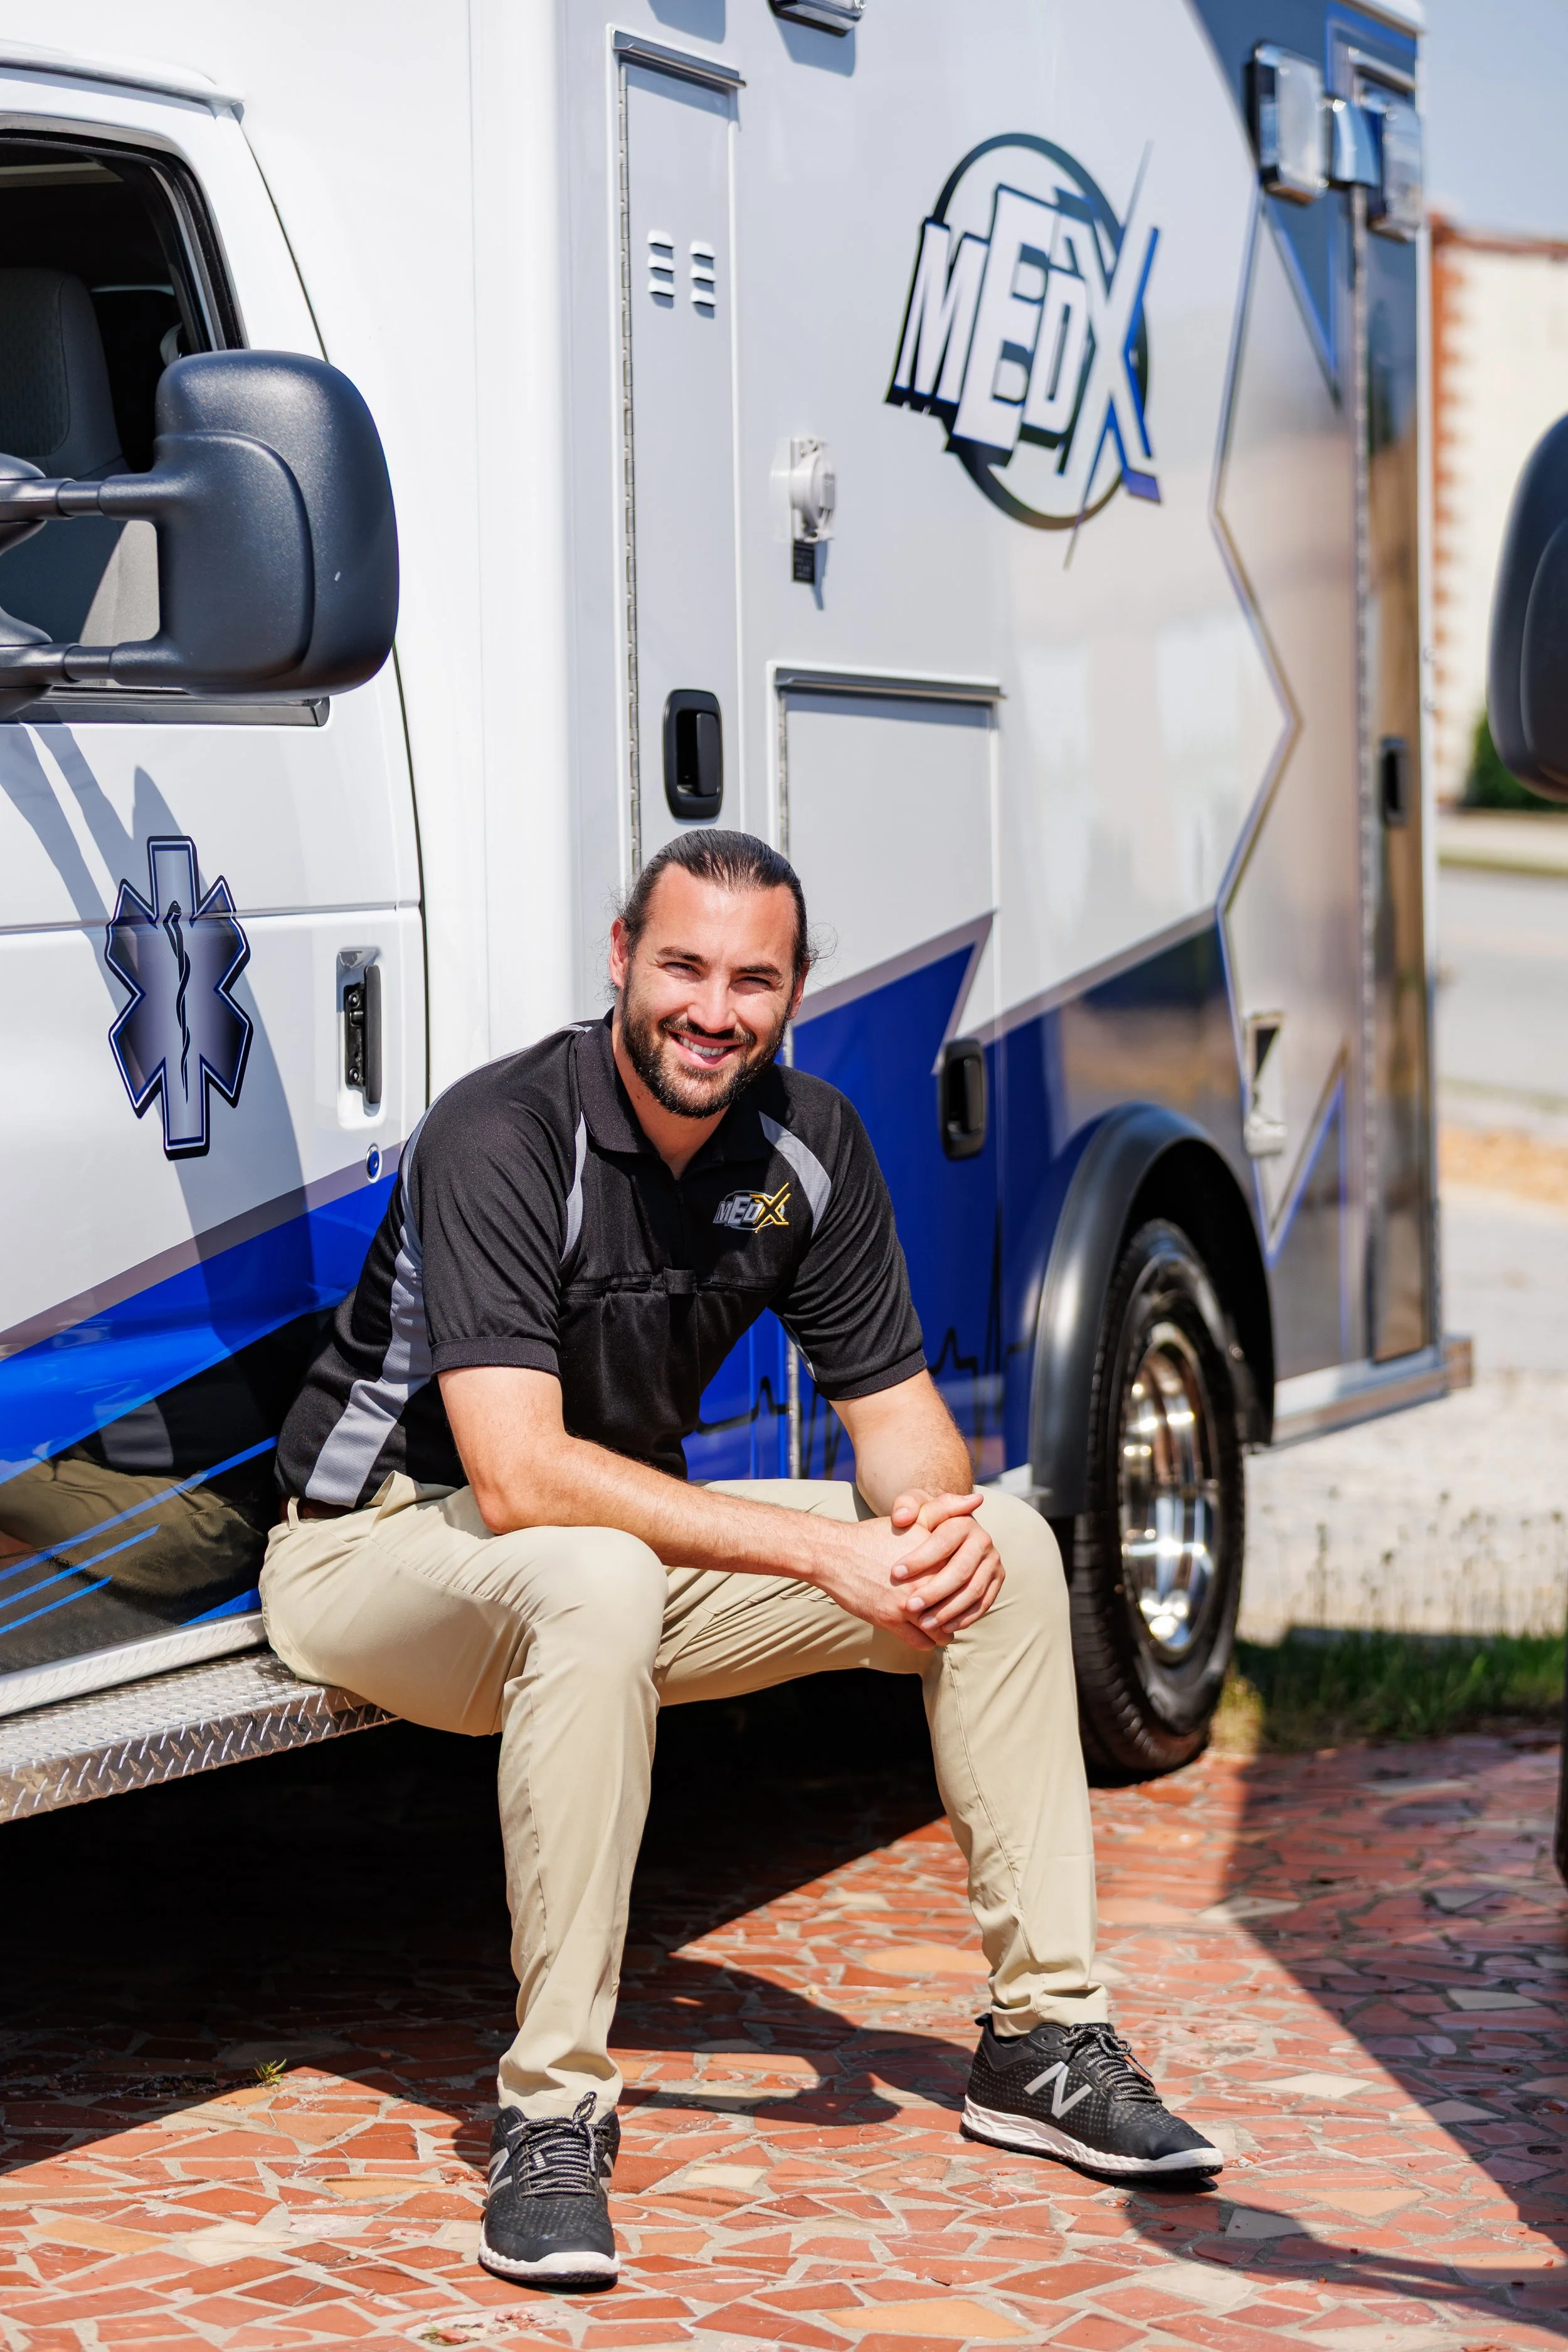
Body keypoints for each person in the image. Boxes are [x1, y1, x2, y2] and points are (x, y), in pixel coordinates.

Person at [263, 830, 1220, 2291]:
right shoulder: (503, 1133)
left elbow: (902, 1437)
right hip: (376, 1552)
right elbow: (517, 1478)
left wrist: (919, 1532)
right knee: (596, 1572)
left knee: (1012, 1548)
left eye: (751, 980)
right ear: (619, 961)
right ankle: (554, 2116)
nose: (712, 1009)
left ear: (793, 993)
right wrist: (814, 1558)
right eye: (683, 967)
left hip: (601, 1558)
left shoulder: (805, 1146)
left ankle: (1040, 2038)